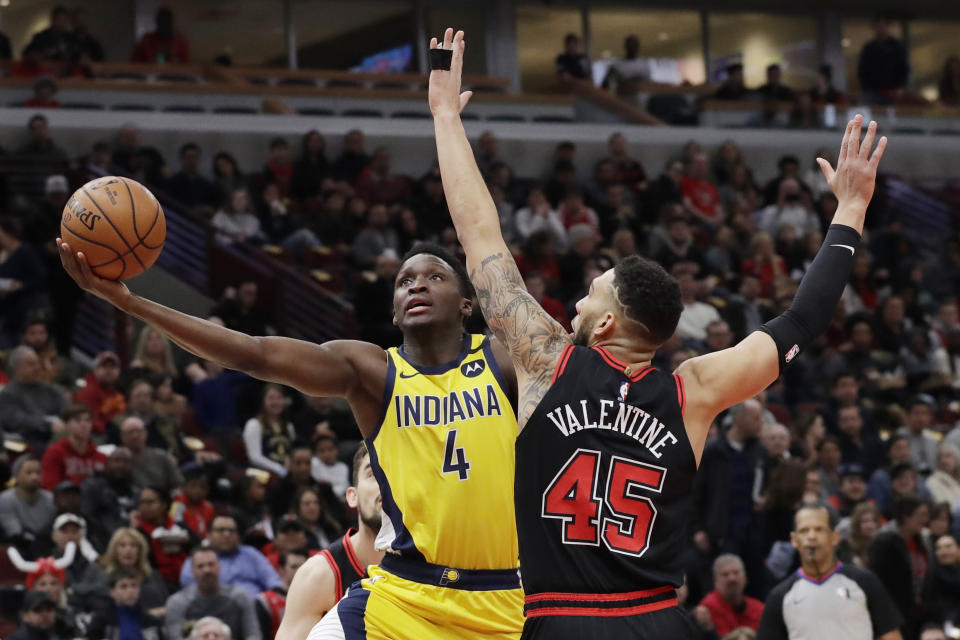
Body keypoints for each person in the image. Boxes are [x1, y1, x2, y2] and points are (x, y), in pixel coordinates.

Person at [428, 27, 887, 640]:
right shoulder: (691, 392)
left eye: (591, 292)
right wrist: (850, 212)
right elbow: (801, 321)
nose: (578, 299)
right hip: (657, 622)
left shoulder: (547, 360)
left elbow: (479, 234)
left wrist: (444, 118)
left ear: (610, 320)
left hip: (563, 620)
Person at [63, 126, 526, 639]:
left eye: (435, 276)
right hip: (404, 596)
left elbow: (486, 237)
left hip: (504, 598)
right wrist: (131, 303)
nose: (416, 283)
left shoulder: (504, 362)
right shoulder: (372, 371)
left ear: (467, 303)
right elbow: (254, 354)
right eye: (404, 281)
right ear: (394, 311)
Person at [278, 443, 383, 639]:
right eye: (374, 475)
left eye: (394, 474)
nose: (386, 484)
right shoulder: (318, 575)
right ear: (352, 497)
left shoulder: (434, 560)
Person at [757, 504, 903, 640]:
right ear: (794, 540)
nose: (812, 536)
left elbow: (891, 635)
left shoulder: (864, 582)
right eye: (804, 530)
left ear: (834, 537)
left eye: (819, 529)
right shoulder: (781, 596)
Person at [867, 494, 930, 638]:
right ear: (906, 516)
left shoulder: (922, 540)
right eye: (921, 515)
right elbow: (879, 584)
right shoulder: (883, 543)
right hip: (894, 616)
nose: (926, 520)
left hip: (917, 613)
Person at [165, 547, 261, 640]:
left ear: (219, 567)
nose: (207, 570)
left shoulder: (240, 597)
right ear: (192, 571)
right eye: (200, 566)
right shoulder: (178, 603)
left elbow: (253, 635)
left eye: (211, 564)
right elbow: (176, 637)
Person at [179, 515, 281, 599]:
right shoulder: (199, 557)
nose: (227, 534)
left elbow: (273, 581)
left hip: (256, 608)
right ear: (208, 535)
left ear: (238, 535)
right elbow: (190, 587)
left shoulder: (250, 554)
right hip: (216, 609)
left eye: (231, 530)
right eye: (221, 530)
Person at [693, 554, 764, 637]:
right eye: (725, 574)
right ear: (715, 581)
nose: (732, 578)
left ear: (745, 577)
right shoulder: (707, 609)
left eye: (736, 573)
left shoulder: (759, 609)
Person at [85, 568, 165, 640]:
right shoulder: (102, 618)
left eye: (134, 585)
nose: (130, 590)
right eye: (123, 586)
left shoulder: (150, 620)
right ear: (112, 592)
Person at [41, 404, 107, 490]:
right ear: (67, 425)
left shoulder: (101, 457)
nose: (84, 424)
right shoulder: (54, 453)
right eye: (78, 420)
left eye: (88, 420)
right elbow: (49, 487)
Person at [0, 456, 56, 551]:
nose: (35, 477)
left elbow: (53, 528)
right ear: (16, 476)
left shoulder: (51, 498)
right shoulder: (5, 499)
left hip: (48, 546)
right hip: (18, 547)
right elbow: (13, 532)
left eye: (38, 473)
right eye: (29, 473)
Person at [243, 384, 296, 478]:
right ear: (263, 401)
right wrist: (278, 469)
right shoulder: (254, 424)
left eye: (279, 398)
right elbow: (254, 457)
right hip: (262, 473)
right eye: (271, 398)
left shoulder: (289, 426)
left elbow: (291, 451)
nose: (276, 402)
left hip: (286, 472)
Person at [256, 549, 308, 640]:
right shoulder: (265, 601)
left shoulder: (319, 598)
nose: (300, 570)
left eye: (304, 566)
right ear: (281, 570)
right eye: (294, 567)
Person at [857, 16, 908, 105]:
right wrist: (866, 88)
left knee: (893, 116)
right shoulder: (869, 48)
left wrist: (900, 87)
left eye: (883, 26)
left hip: (893, 92)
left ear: (888, 27)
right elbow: (862, 70)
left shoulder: (897, 47)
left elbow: (903, 68)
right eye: (878, 26)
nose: (880, 29)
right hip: (872, 92)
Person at [74, 351, 126, 435]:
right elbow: (87, 422)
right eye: (104, 366)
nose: (109, 370)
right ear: (95, 369)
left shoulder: (118, 394)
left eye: (112, 367)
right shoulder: (88, 392)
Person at [310, 432, 349, 499]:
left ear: (337, 449)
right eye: (322, 451)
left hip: (335, 499)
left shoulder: (342, 467)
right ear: (315, 453)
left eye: (330, 449)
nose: (327, 454)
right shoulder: (314, 463)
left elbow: (343, 486)